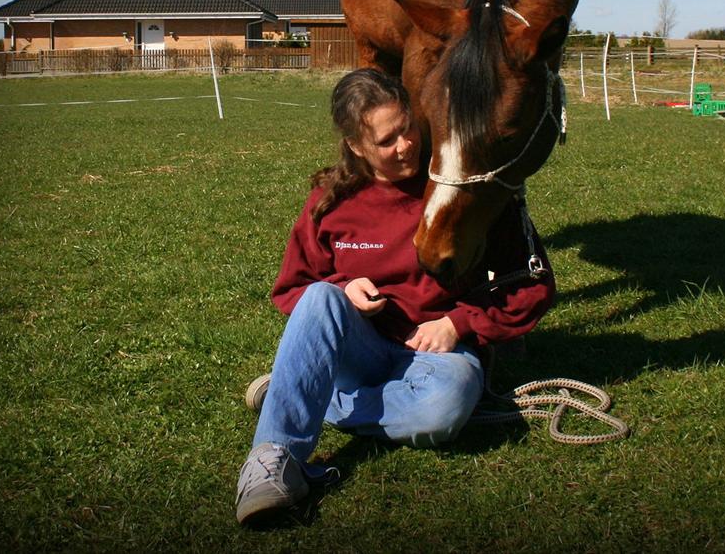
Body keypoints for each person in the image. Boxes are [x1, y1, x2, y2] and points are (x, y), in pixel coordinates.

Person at [236, 68, 555, 527]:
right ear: (356, 147)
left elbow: (533, 284)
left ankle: (297, 394)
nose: (405, 145)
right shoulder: (329, 200)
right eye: (387, 141)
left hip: (439, 359)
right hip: (361, 348)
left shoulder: (461, 190)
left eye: (407, 128)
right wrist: (343, 288)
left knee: (443, 412)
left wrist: (458, 324)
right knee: (322, 297)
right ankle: (271, 463)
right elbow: (292, 289)